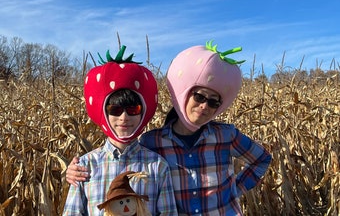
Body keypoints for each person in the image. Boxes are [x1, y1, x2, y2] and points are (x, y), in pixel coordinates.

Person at [66, 41, 272, 215]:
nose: (204, 106)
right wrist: (72, 171)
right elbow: (122, 161)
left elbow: (262, 159)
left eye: (213, 102)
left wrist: (234, 190)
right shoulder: (152, 143)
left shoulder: (226, 135)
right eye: (199, 96)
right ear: (185, 94)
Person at [62, 46, 178, 216]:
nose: (124, 117)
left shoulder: (157, 167)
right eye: (115, 109)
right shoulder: (85, 167)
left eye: (133, 109)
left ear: (143, 112)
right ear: (104, 112)